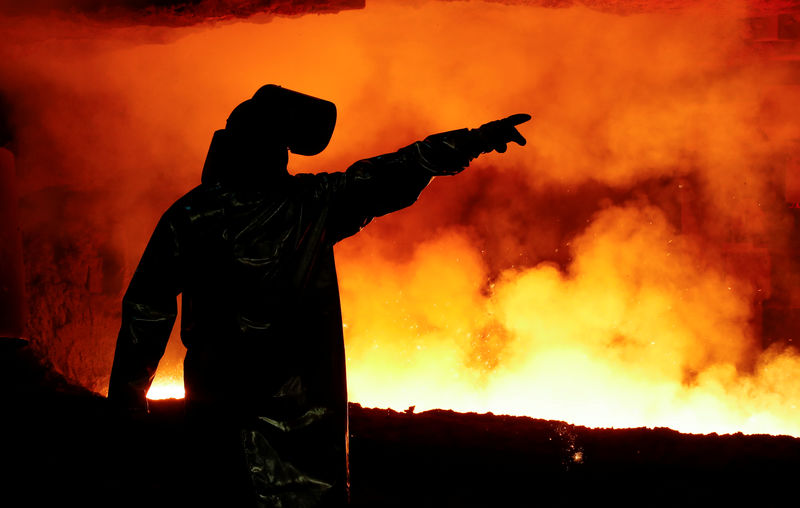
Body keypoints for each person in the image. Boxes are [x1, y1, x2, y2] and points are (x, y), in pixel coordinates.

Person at [107, 84, 529, 507]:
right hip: (304, 412)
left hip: (220, 409)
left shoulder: (190, 214)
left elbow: (147, 309)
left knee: (225, 507)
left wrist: (127, 403)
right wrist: (475, 140)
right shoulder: (312, 203)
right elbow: (398, 169)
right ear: (280, 150)